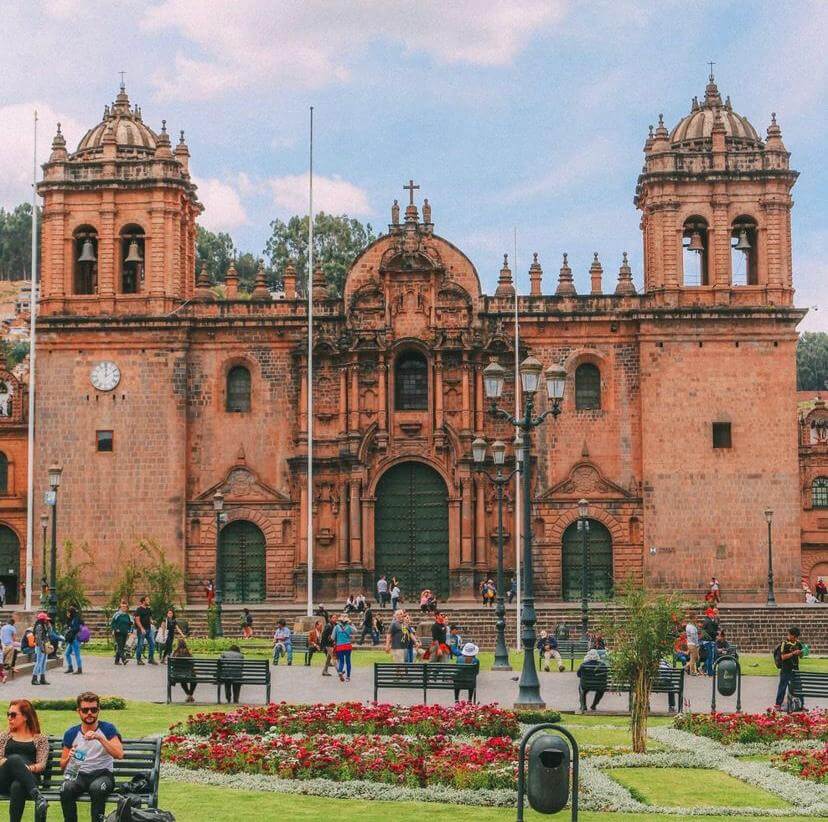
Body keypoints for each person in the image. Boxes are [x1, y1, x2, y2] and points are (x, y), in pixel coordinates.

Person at [60, 691, 123, 822]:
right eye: (85, 710)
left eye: (93, 709)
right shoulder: (71, 733)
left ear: (98, 710)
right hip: (79, 774)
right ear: (79, 711)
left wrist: (100, 738)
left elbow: (119, 754)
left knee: (96, 789)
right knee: (66, 789)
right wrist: (69, 758)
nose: (89, 713)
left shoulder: (108, 729)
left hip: (103, 774)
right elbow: (62, 766)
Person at [0, 699, 49, 821]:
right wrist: (14, 765)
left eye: (13, 715)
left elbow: (42, 764)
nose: (9, 718)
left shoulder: (40, 739)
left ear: (26, 717)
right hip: (4, 779)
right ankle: (37, 796)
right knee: (14, 759)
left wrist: (27, 769)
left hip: (28, 779)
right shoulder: (4, 737)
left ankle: (38, 800)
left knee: (18, 785)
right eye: (8, 714)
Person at [774, 626, 804, 711]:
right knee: (782, 687)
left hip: (795, 668)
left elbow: (801, 656)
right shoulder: (784, 643)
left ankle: (802, 704)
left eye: (797, 637)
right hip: (786, 669)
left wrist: (800, 653)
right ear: (791, 635)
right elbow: (783, 657)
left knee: (799, 686)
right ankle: (778, 704)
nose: (795, 639)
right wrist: (793, 653)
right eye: (794, 637)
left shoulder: (798, 643)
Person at [170, 638, 197, 703]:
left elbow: (172, 664)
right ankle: (190, 695)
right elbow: (192, 663)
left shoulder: (175, 653)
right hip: (188, 674)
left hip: (178, 675)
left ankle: (188, 695)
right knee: (194, 679)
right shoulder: (188, 652)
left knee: (182, 679)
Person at [133, 596, 156, 666]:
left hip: (149, 629)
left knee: (152, 644)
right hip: (141, 630)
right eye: (147, 600)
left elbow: (149, 618)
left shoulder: (148, 609)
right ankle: (139, 660)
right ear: (143, 601)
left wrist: (152, 621)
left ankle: (150, 659)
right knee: (140, 645)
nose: (149, 601)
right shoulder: (139, 610)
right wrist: (142, 628)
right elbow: (137, 620)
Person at [110, 600, 132, 666]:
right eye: (122, 607)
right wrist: (116, 629)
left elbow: (129, 624)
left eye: (125, 607)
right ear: (120, 607)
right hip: (118, 633)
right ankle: (124, 659)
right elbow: (112, 623)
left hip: (125, 633)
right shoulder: (117, 615)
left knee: (121, 647)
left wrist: (129, 630)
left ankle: (116, 661)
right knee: (120, 647)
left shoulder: (127, 616)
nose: (124, 608)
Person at [333, 614, 354, 682]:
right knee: (348, 661)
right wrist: (351, 623)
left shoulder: (336, 627)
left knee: (341, 661)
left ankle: (340, 671)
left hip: (340, 646)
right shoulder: (349, 626)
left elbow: (332, 637)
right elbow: (355, 630)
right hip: (348, 646)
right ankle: (348, 677)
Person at [63, 606, 83, 675]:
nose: (67, 614)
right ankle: (70, 667)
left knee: (77, 654)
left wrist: (70, 630)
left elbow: (76, 628)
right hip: (72, 639)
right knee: (67, 653)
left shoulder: (76, 619)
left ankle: (79, 669)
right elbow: (69, 625)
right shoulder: (72, 618)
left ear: (71, 612)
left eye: (68, 612)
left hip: (75, 639)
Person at [31, 613, 49, 687]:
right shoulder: (39, 626)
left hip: (44, 646)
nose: (46, 620)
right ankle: (34, 678)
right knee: (39, 662)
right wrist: (42, 648)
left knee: (43, 663)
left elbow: (46, 636)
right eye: (45, 619)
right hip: (40, 646)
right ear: (42, 619)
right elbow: (38, 638)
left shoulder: (43, 626)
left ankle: (42, 678)